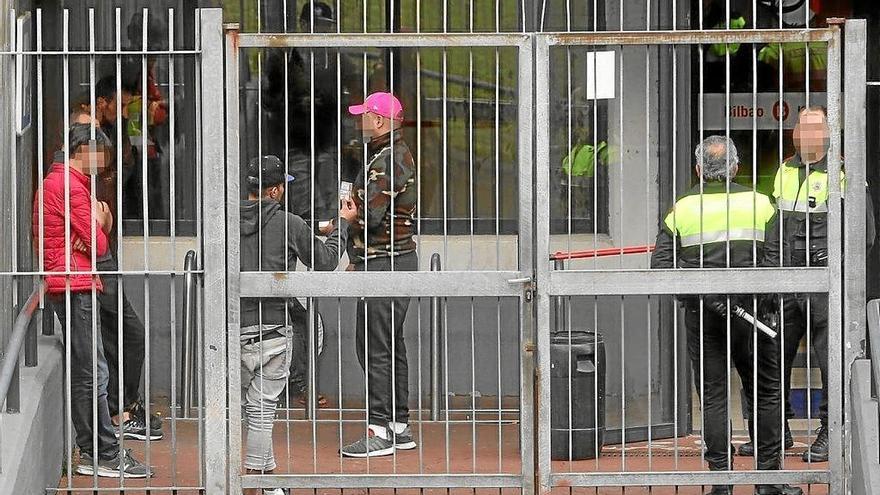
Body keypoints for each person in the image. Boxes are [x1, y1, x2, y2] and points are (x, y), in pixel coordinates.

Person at [651, 135, 800, 495]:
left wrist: (701, 295)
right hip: (757, 314)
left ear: (699, 169)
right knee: (765, 393)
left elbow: (661, 265)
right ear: (736, 167)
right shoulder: (760, 203)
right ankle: (769, 481)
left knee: (714, 395)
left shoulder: (682, 208)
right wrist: (763, 301)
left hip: (705, 316)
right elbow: (779, 258)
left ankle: (722, 480)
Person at [742, 107, 874, 463]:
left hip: (823, 284)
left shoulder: (845, 172)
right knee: (770, 357)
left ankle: (830, 433)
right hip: (784, 281)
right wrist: (769, 271)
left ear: (830, 133)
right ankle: (774, 433)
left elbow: (864, 233)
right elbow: (773, 225)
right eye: (802, 127)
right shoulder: (785, 170)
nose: (807, 134)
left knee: (829, 361)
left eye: (815, 127)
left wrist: (834, 260)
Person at [33, 123, 152, 478]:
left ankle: (99, 446)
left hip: (74, 278)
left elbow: (96, 239)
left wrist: (98, 227)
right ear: (83, 148)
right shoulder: (68, 185)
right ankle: (102, 452)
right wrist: (99, 224)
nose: (103, 163)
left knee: (92, 370)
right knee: (92, 373)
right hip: (73, 281)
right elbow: (100, 246)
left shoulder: (65, 182)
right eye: (100, 153)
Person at [239, 154, 355, 494]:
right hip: (274, 328)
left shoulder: (223, 223)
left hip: (229, 328)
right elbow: (325, 262)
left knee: (240, 409)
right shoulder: (288, 224)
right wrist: (343, 226)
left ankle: (266, 480)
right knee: (262, 410)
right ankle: (254, 483)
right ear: (275, 190)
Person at [70, 77, 165, 442]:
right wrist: (101, 225)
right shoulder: (83, 138)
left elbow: (122, 171)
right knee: (123, 334)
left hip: (102, 250)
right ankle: (120, 411)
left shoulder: (107, 137)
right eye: (115, 105)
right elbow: (89, 221)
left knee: (118, 336)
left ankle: (123, 406)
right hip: (93, 257)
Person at [340, 92, 418, 458]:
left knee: (375, 350)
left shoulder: (387, 160)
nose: (360, 120)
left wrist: (346, 216)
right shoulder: (388, 154)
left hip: (386, 263)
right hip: (389, 260)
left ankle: (379, 429)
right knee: (390, 347)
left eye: (365, 114)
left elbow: (371, 216)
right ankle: (399, 426)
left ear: (381, 120)